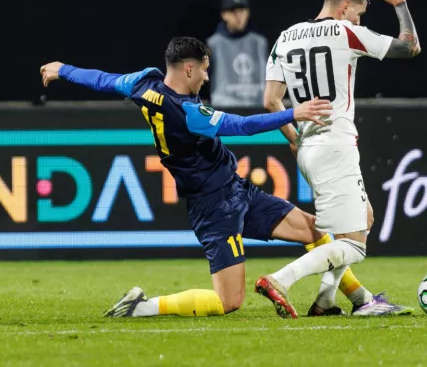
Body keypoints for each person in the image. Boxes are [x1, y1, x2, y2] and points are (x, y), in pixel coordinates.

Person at [40, 37, 338, 319]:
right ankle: (141, 307)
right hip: (214, 206)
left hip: (235, 189)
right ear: (189, 68)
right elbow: (244, 126)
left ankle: (349, 300)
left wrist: (63, 70)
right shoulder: (187, 112)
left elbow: (103, 80)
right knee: (229, 301)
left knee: (315, 230)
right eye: (205, 70)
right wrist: (292, 114)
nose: (206, 78)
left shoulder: (142, 84)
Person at [257, 0, 419, 318]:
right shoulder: (346, 32)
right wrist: (400, 3)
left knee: (365, 217)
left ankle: (326, 302)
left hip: (308, 150)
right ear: (344, 7)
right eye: (358, 14)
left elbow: (271, 101)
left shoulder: (284, 38)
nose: (359, 22)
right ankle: (279, 279)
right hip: (336, 146)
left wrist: (295, 139)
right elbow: (410, 46)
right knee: (354, 246)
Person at [206, 0, 269, 109]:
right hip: (225, 112)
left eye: (242, 11)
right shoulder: (213, 44)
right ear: (224, 15)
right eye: (233, 12)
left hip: (257, 110)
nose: (239, 16)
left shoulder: (260, 42)